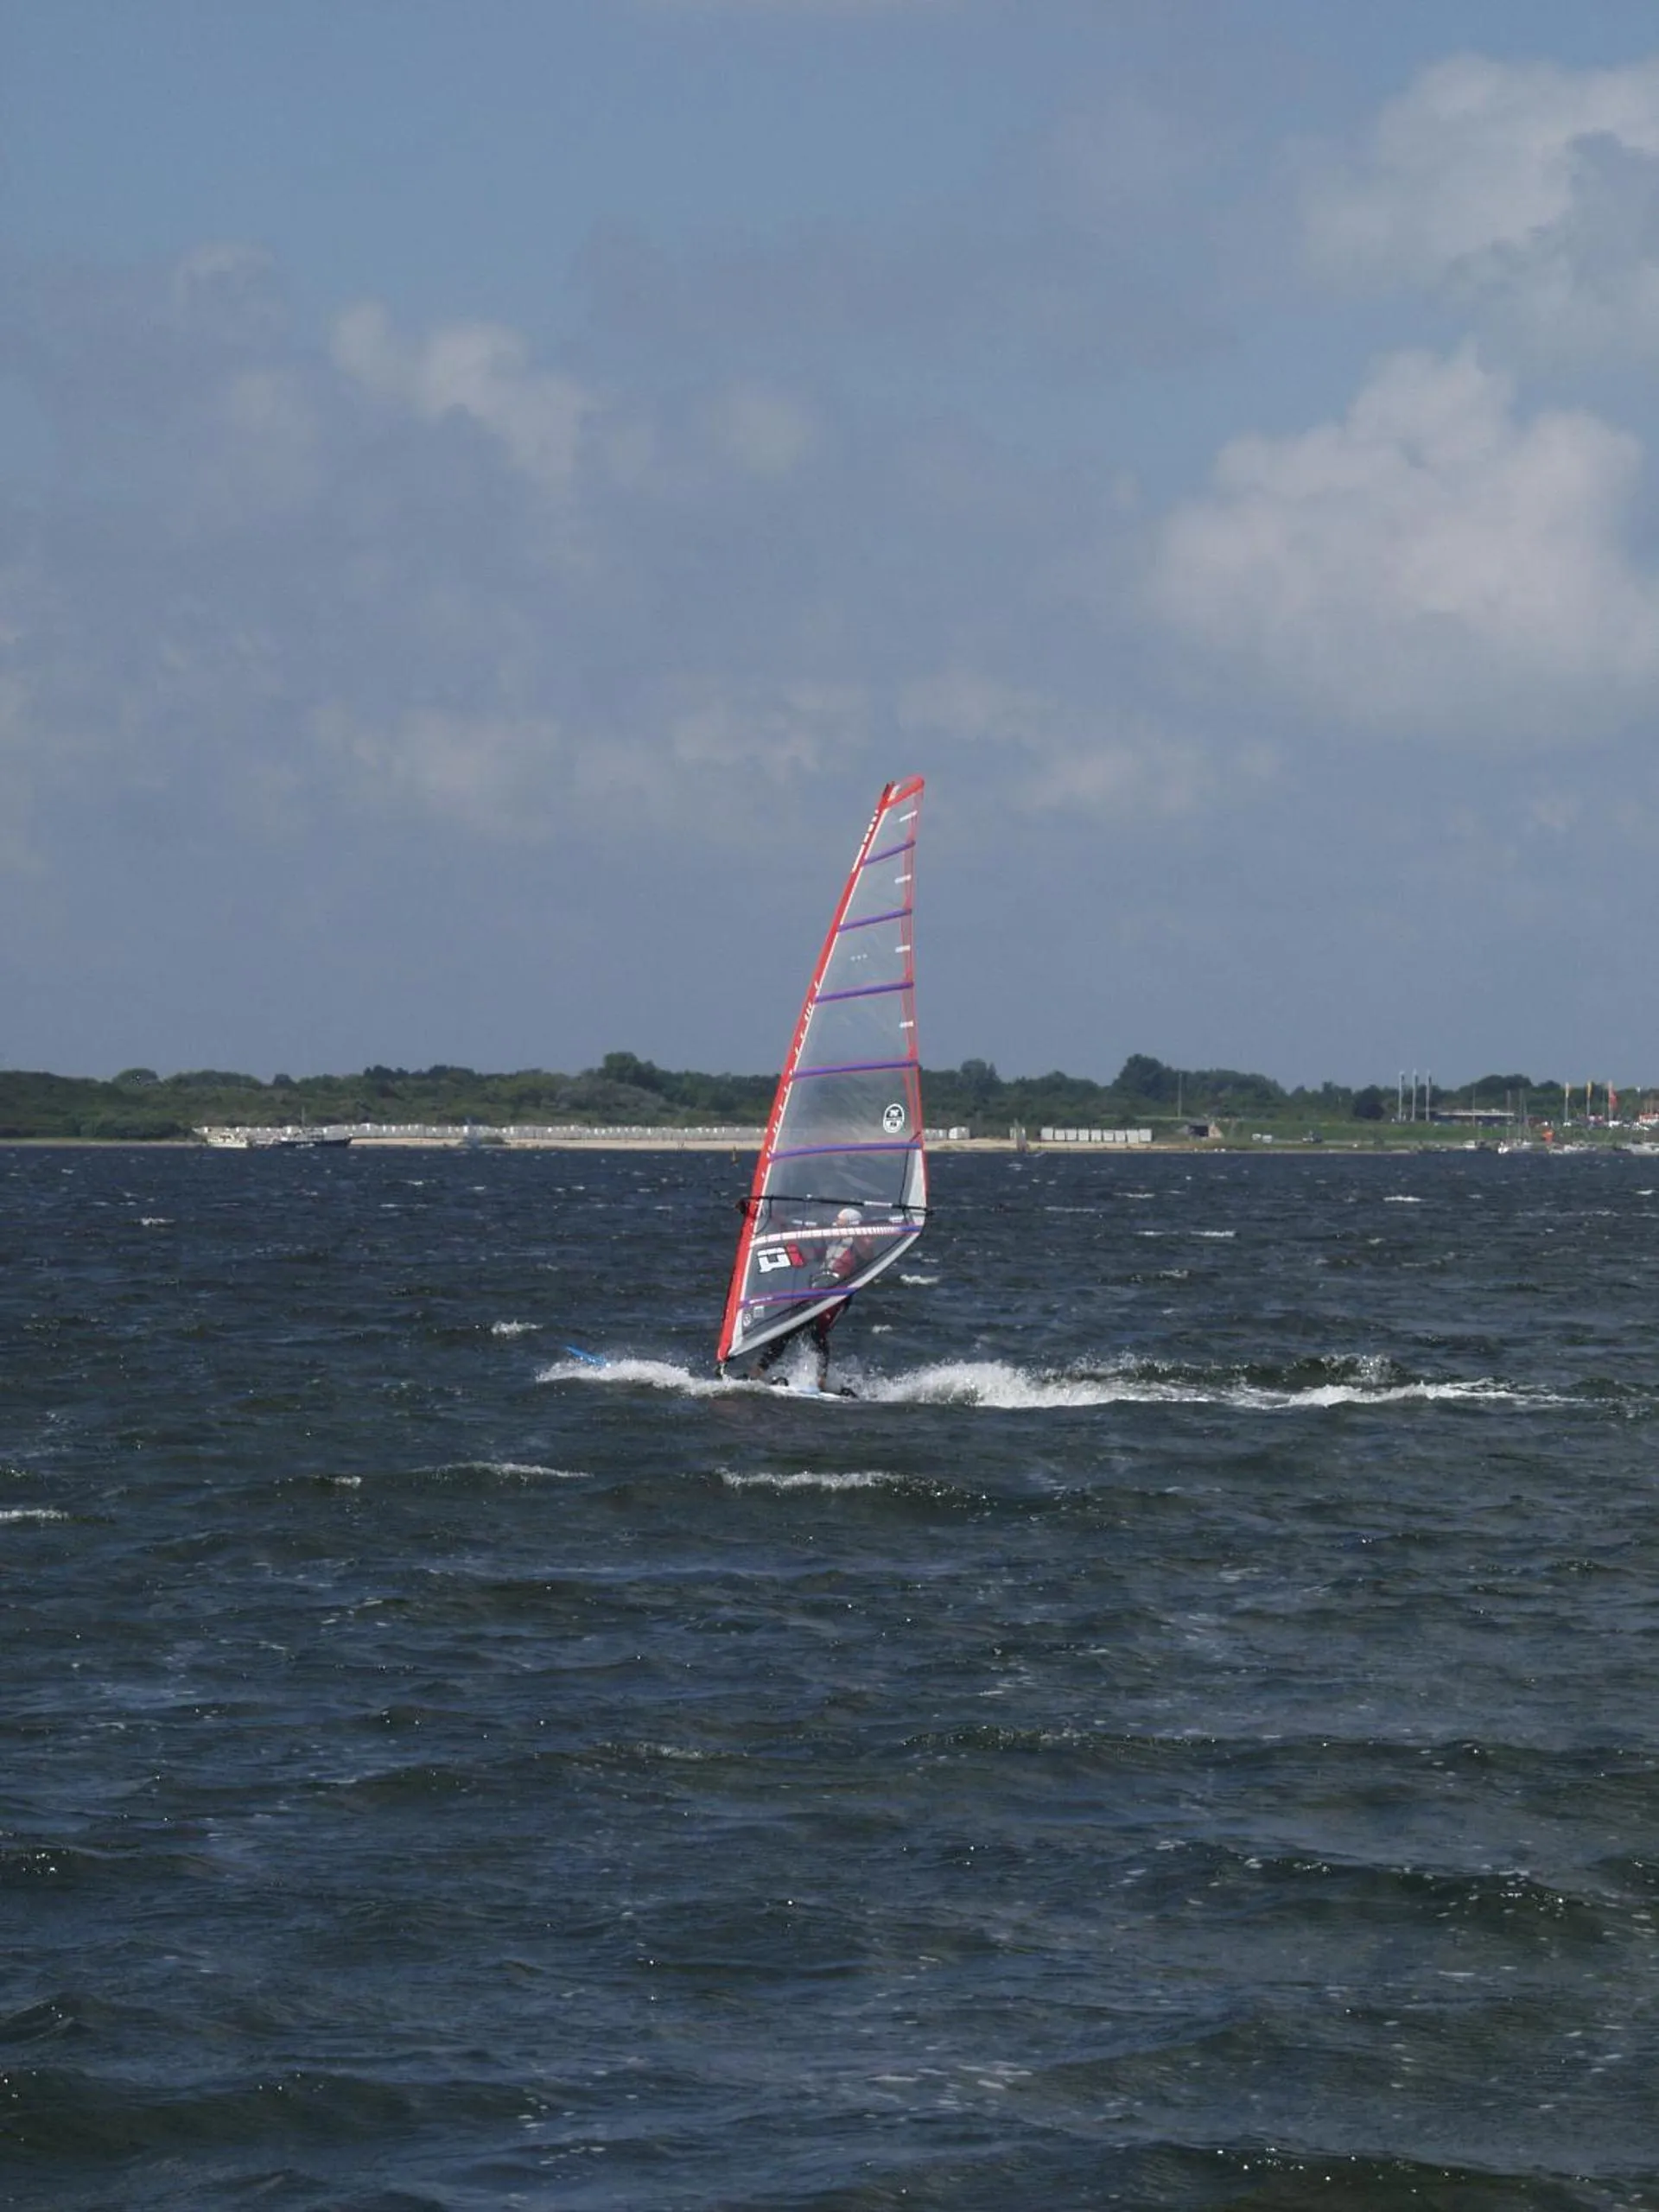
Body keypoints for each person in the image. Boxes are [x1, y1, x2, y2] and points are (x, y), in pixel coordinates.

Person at [755, 1207, 865, 1391]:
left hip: (835, 1297)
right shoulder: (834, 1242)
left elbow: (867, 1249)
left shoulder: (859, 1245)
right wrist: (784, 1227)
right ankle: (758, 1371)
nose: (835, 1223)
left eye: (839, 1221)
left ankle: (821, 1382)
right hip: (816, 1290)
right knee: (786, 1328)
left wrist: (852, 1230)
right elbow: (810, 1254)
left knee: (817, 1332)